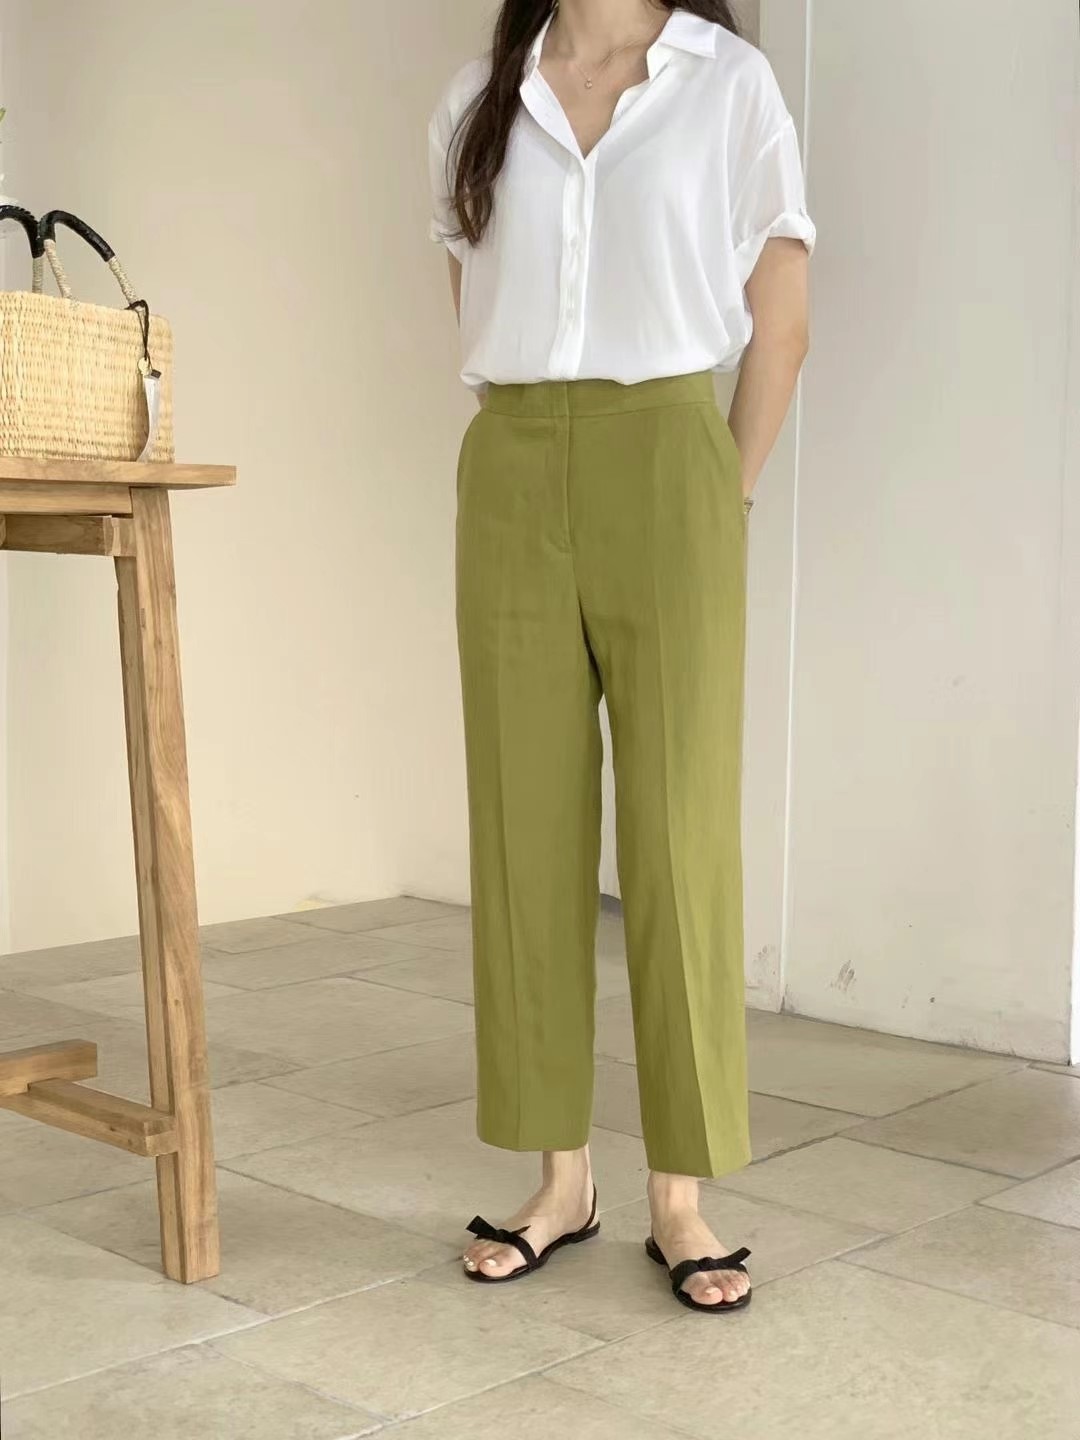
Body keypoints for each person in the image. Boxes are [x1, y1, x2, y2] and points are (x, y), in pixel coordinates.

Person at [427, 0, 814, 1312]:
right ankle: (560, 1182)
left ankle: (681, 1198)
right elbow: (472, 305)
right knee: (523, 824)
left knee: (679, 830)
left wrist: (722, 495)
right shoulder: (480, 98)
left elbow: (782, 316)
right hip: (514, 460)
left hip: (670, 457)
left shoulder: (728, 84)